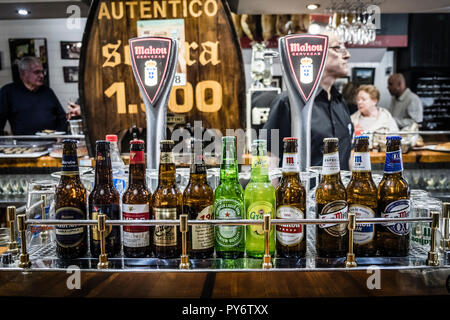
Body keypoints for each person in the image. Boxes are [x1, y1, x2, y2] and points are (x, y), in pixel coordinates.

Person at [263, 32, 354, 170]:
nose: (347, 55)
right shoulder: (287, 103)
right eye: (337, 48)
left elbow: (348, 155)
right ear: (318, 53)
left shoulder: (340, 103)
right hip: (303, 190)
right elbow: (270, 157)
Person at [0, 56, 67, 135]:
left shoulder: (48, 91)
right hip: (24, 144)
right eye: (37, 72)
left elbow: (62, 117)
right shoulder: (8, 92)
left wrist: (60, 134)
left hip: (52, 142)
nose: (42, 75)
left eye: (42, 72)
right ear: (23, 73)